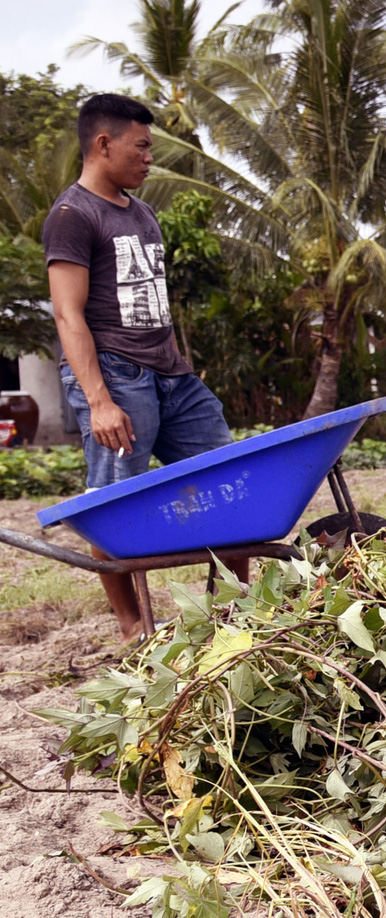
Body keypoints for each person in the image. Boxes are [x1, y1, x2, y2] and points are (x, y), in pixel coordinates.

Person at [44, 93, 245, 641]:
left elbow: (155, 304)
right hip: (113, 374)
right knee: (113, 500)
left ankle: (225, 614)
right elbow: (68, 313)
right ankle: (134, 627)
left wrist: (179, 367)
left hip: (170, 375)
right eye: (141, 146)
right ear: (103, 144)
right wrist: (100, 398)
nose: (149, 158)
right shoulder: (72, 215)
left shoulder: (144, 213)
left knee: (232, 481)